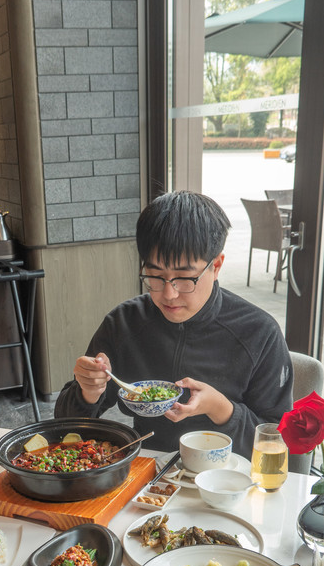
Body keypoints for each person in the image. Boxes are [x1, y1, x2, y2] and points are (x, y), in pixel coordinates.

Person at [54, 190, 293, 457]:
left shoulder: (259, 332)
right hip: (147, 475)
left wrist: (221, 409)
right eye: (155, 276)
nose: (169, 294)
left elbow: (278, 442)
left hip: (228, 482)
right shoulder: (125, 323)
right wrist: (87, 391)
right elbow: (65, 428)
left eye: (184, 278)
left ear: (216, 266)